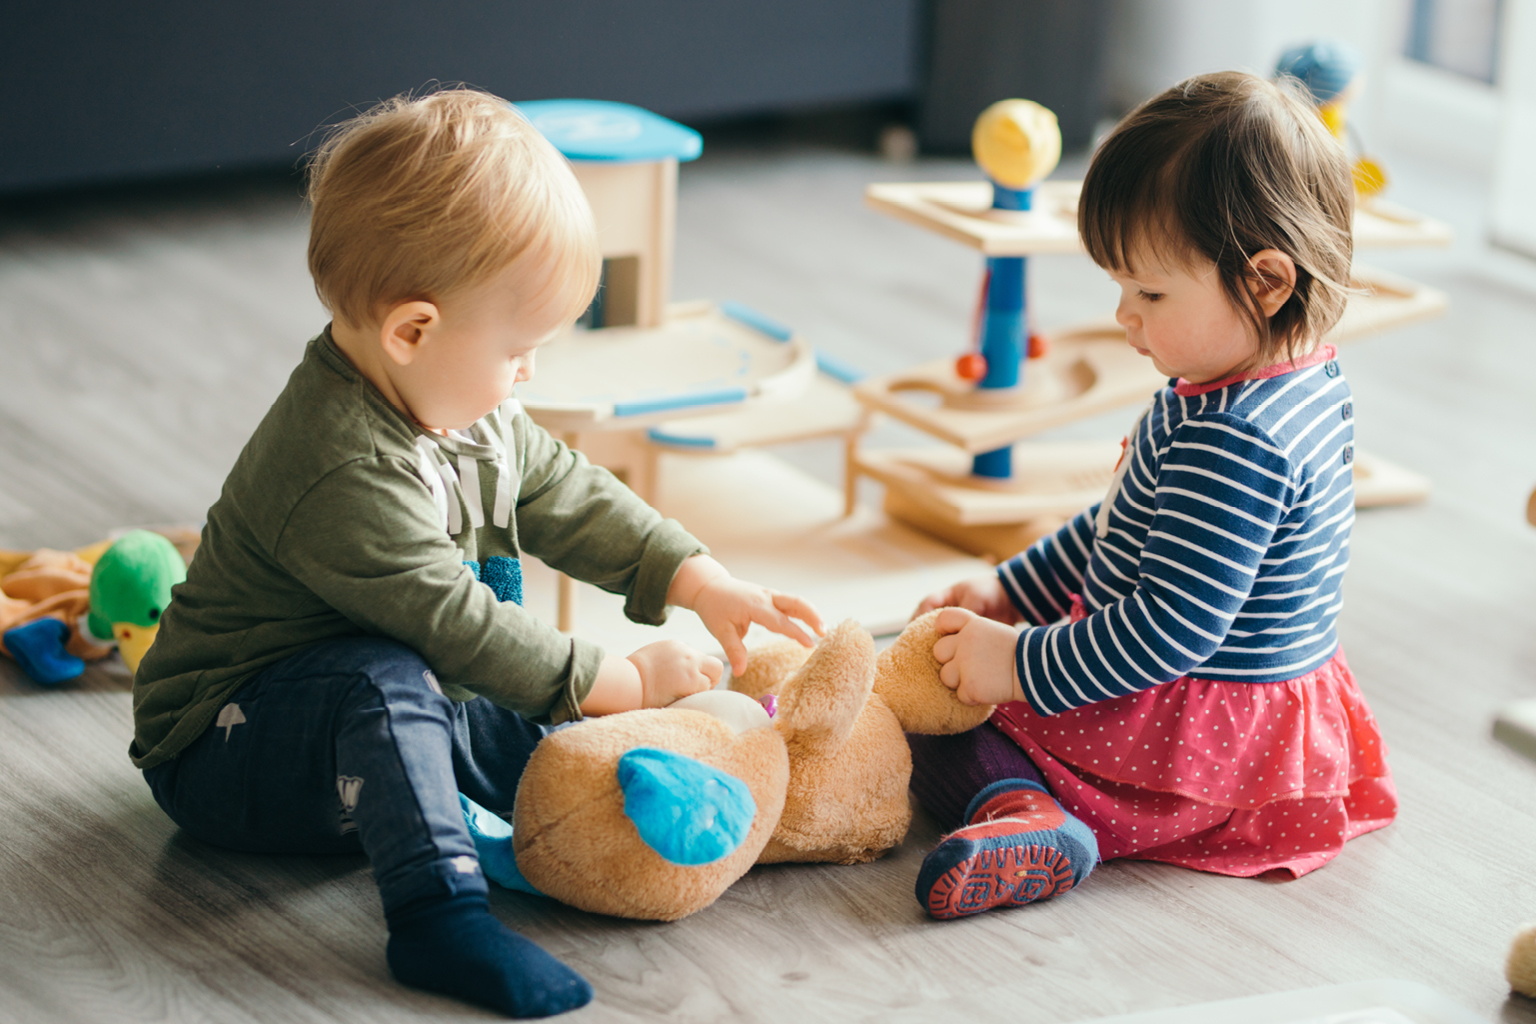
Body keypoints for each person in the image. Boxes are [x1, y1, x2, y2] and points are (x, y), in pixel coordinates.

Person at [129, 89, 824, 1018]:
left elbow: (563, 492)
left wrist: (697, 577)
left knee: (521, 732)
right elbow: (454, 628)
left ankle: (656, 815)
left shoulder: (467, 405)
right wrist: (622, 680)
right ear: (413, 330)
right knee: (395, 677)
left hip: (384, 706)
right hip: (223, 749)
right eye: (519, 349)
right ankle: (438, 915)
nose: (529, 374)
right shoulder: (337, 463)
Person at [908, 71, 1398, 920]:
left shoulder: (1235, 435)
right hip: (1255, 725)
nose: (1125, 316)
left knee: (937, 725)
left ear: (1267, 282)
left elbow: (1168, 630)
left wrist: (1016, 663)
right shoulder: (1277, 377)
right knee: (958, 679)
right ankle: (1039, 801)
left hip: (1191, 741)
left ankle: (1030, 814)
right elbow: (1123, 522)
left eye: (1151, 293)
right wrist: (1012, 588)